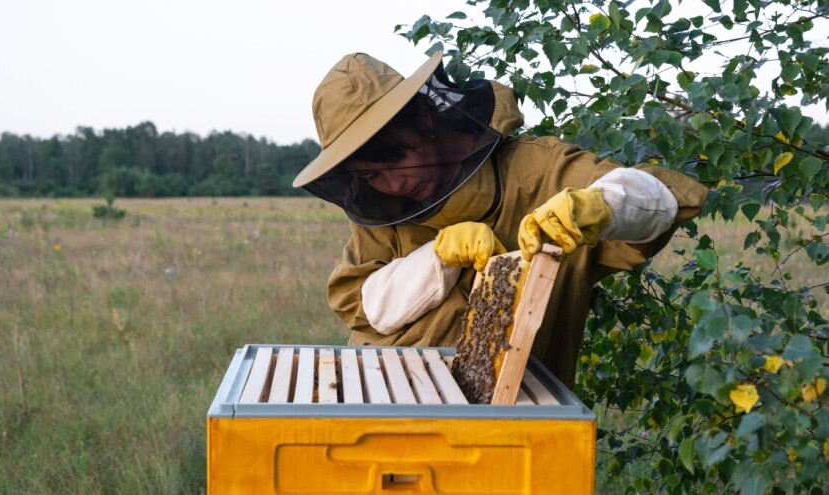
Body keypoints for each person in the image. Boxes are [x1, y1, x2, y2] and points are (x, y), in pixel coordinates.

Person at [292, 51, 708, 386]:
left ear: (423, 119)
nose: (393, 185)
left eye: (396, 159)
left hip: (511, 412)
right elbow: (367, 305)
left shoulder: (539, 170)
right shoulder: (381, 209)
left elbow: (663, 198)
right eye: (372, 176)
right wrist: (437, 258)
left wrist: (598, 206)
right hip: (385, 391)